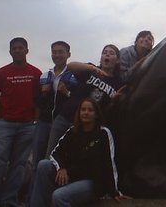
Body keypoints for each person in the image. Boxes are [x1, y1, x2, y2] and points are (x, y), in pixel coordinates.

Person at [0, 37, 42, 207]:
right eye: (14, 48)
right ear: (10, 51)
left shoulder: (36, 73)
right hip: (5, 124)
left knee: (19, 165)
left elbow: (39, 98)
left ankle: (9, 201)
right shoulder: (2, 72)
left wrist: (35, 119)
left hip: (27, 125)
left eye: (21, 48)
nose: (18, 50)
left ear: (27, 50)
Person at [30, 98, 123, 207]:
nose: (86, 113)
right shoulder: (72, 131)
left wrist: (114, 191)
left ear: (96, 114)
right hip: (72, 177)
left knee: (59, 196)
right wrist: (61, 168)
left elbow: (110, 164)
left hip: (92, 183)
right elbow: (55, 153)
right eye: (83, 110)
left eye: (90, 110)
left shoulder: (103, 133)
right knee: (43, 165)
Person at [45, 44, 124, 157]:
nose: (107, 54)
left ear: (117, 60)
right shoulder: (91, 70)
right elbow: (70, 66)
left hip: (85, 126)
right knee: (50, 156)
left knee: (72, 159)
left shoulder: (118, 83)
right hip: (65, 118)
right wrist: (92, 68)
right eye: (104, 52)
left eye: (111, 53)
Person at [29, 41, 76, 202]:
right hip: (44, 122)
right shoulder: (44, 75)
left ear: (68, 54)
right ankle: (33, 201)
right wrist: (43, 94)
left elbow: (76, 100)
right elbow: (36, 101)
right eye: (54, 52)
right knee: (37, 162)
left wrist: (67, 92)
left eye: (60, 52)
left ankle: (51, 199)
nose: (57, 55)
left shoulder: (74, 75)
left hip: (62, 123)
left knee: (53, 162)